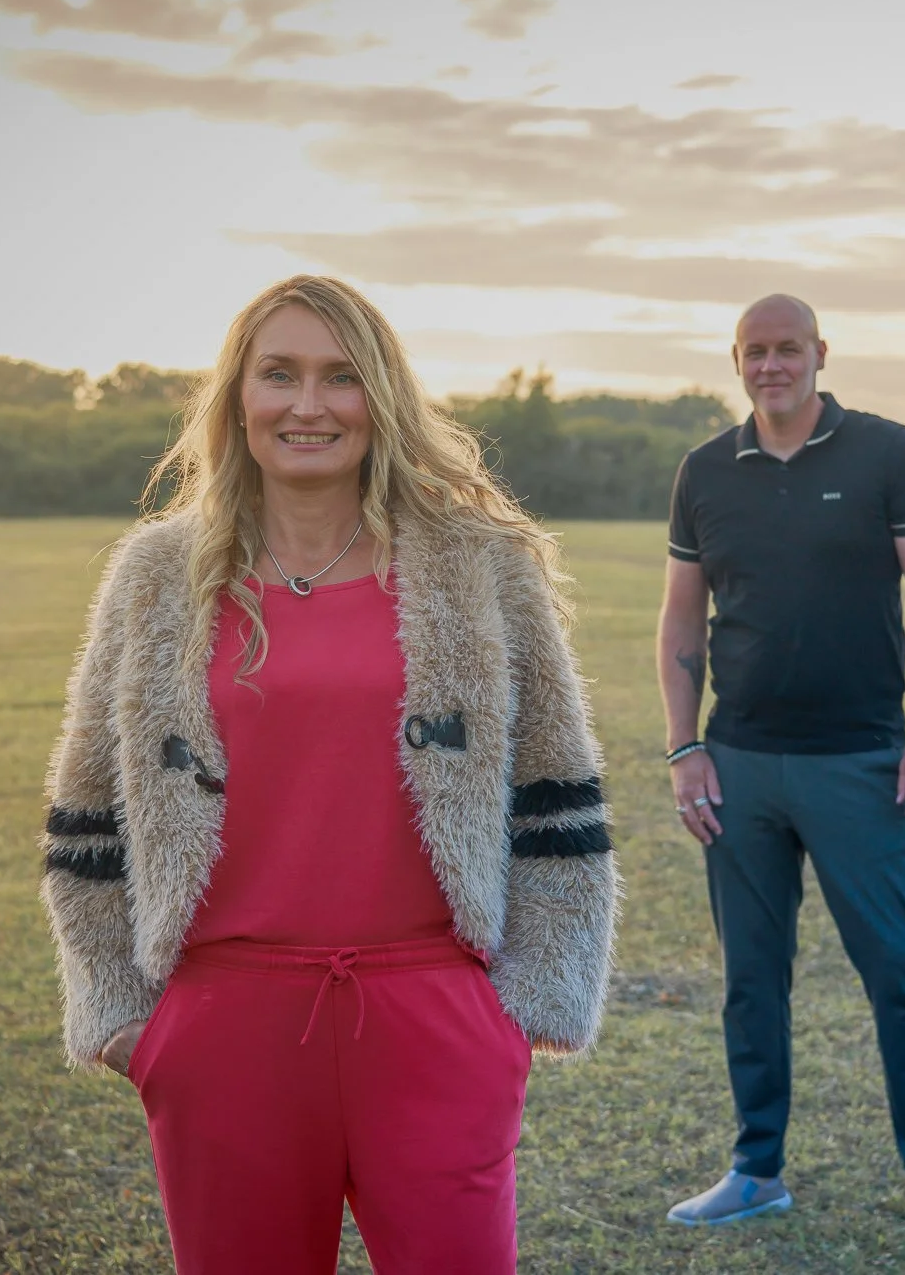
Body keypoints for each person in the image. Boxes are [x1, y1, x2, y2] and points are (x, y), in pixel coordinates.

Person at [39, 274, 620, 1275]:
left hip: (434, 1011)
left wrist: (524, 1008)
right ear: (237, 397)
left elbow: (555, 788)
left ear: (381, 398)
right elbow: (88, 810)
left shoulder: (480, 565)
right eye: (279, 374)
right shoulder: (157, 574)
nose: (308, 404)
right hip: (224, 1023)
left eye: (340, 376)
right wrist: (124, 1015)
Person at [657, 295, 905, 1251]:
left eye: (787, 348)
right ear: (737, 361)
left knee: (899, 973)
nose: (772, 365)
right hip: (740, 764)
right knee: (751, 980)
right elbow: (681, 617)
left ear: (819, 353)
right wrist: (684, 747)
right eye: (755, 351)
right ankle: (755, 1170)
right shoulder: (705, 470)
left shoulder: (885, 451)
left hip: (862, 763)